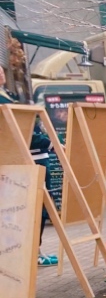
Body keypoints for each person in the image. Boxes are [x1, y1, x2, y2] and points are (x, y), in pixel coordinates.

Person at [0, 65, 58, 266]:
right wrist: (49, 142)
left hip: (37, 156)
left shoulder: (8, 94)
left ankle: (34, 250)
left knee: (39, 208)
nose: (0, 73)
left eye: (1, 70)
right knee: (31, 209)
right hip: (24, 159)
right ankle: (29, 253)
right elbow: (16, 131)